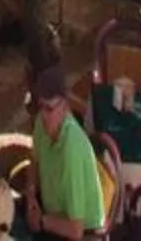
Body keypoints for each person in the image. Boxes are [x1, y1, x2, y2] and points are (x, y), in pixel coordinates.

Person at [24, 64, 107, 240]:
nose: (44, 115)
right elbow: (33, 160)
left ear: (64, 107)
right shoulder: (41, 122)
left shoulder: (72, 149)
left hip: (84, 233)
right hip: (50, 214)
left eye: (50, 109)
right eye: (40, 106)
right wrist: (31, 196)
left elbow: (75, 230)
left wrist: (41, 221)